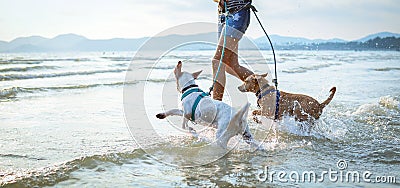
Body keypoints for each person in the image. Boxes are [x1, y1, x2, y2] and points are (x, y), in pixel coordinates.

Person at [212, 0, 254, 101]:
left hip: (237, 13)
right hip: (224, 15)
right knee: (230, 65)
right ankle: (265, 91)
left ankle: (216, 106)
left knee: (217, 62)